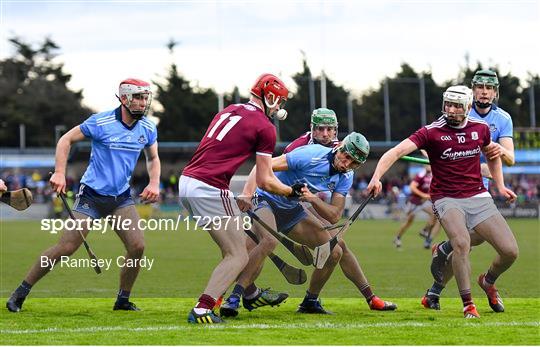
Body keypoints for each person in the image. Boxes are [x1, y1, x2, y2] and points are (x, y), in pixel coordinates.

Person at [6, 78, 161, 313]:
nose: (142, 103)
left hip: (120, 198)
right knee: (66, 248)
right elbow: (65, 140)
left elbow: (154, 158)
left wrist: (154, 182)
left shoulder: (148, 128)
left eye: (144, 98)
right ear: (125, 98)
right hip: (91, 196)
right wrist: (60, 173)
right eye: (138, 97)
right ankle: (20, 292)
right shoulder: (101, 122)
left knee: (138, 247)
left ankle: (122, 300)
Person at [366, 85, 517, 318]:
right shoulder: (431, 132)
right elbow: (395, 152)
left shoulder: (480, 128)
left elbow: (493, 156)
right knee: (462, 243)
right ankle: (468, 305)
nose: (451, 109)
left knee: (510, 251)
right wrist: (376, 177)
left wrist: (500, 186)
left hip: (477, 195)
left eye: (457, 105)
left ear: (467, 107)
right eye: (448, 104)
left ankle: (487, 281)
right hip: (446, 197)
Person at [220, 132, 397, 317]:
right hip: (265, 199)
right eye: (347, 157)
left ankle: (310, 302)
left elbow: (335, 215)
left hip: (291, 207)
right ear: (340, 148)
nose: (347, 164)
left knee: (334, 251)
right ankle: (233, 298)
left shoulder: (345, 176)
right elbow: (261, 167)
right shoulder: (310, 154)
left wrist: (313, 199)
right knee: (265, 243)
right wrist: (247, 194)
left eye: (354, 163)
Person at [179, 73, 301, 324]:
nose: (279, 107)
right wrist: (291, 192)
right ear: (269, 97)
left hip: (187, 182)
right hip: (209, 187)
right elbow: (266, 180)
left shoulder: (229, 109)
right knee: (238, 254)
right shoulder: (265, 127)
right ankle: (202, 309)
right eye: (279, 101)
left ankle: (251, 292)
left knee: (236, 246)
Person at [424, 70, 517, 312]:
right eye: (480, 87)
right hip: (454, 190)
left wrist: (497, 154)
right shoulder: (458, 110)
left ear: (495, 92)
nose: (484, 91)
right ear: (472, 90)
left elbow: (509, 159)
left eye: (489, 87)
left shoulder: (503, 118)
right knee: (462, 244)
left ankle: (482, 279)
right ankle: (438, 292)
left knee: (470, 243)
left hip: (480, 191)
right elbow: (431, 144)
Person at [393, 165, 441, 249]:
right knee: (409, 222)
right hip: (415, 202)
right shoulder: (421, 175)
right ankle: (397, 237)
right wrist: (424, 195)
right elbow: (412, 187)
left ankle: (425, 231)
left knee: (435, 214)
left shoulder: (432, 174)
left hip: (424, 202)